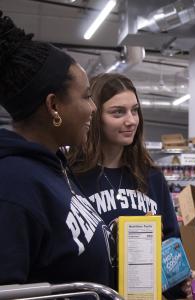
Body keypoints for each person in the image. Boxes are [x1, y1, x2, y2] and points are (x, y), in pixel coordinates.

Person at [0, 11, 115, 287]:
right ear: (54, 106)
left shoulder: (53, 166)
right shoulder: (12, 188)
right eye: (86, 96)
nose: (93, 108)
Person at [67, 73, 195, 298]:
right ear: (95, 116)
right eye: (118, 112)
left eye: (135, 110)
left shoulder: (151, 177)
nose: (131, 120)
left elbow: (172, 244)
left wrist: (180, 279)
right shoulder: (71, 176)